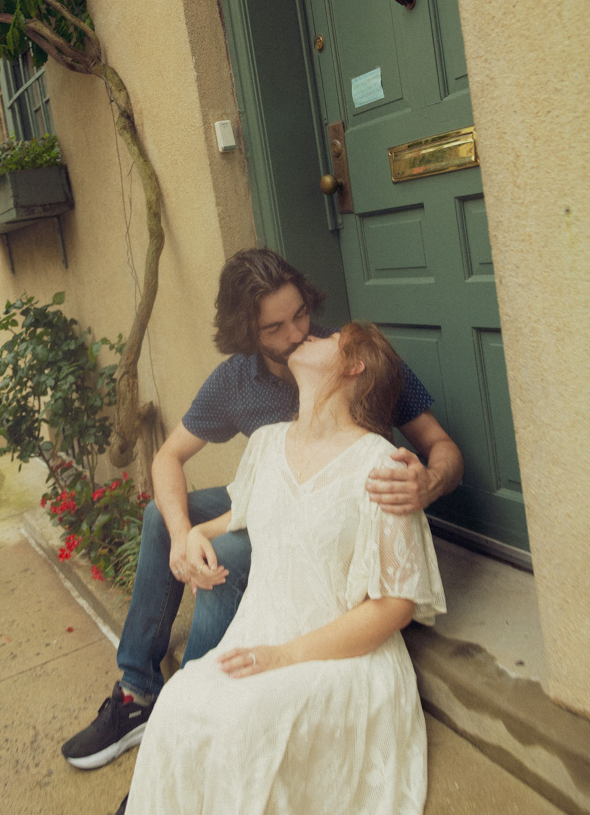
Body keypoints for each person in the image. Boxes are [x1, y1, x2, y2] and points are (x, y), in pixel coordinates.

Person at [61, 249, 462, 779]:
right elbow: (167, 458)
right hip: (266, 500)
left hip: (330, 520)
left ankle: (198, 711)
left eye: (300, 314)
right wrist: (184, 537)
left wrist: (425, 484)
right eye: (275, 327)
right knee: (164, 519)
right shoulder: (235, 381)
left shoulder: (346, 356)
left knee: (223, 553)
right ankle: (138, 691)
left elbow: (442, 448)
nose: (297, 333)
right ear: (246, 333)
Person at [124, 322, 446, 814]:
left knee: (240, 728)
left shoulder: (382, 466)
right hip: (260, 631)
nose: (305, 337)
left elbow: (394, 606)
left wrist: (284, 657)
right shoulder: (268, 443)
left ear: (352, 366)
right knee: (175, 705)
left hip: (339, 655)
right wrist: (195, 534)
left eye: (324, 339)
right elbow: (247, 510)